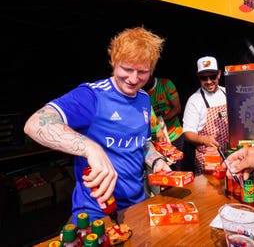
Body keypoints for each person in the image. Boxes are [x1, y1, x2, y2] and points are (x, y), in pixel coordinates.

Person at [23, 26, 172, 223]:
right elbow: (34, 124)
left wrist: (156, 161)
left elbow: (142, 143)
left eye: (142, 72)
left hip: (137, 205)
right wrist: (90, 147)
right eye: (127, 69)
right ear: (114, 61)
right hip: (95, 211)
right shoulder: (92, 95)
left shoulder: (144, 98)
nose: (133, 79)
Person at [182, 56, 229, 176]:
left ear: (219, 74)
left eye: (212, 76)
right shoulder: (195, 100)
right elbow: (187, 133)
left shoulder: (228, 92)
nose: (208, 81)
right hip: (208, 159)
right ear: (199, 78)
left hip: (230, 155)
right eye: (204, 78)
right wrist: (204, 139)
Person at [143, 76, 184, 170]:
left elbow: (177, 109)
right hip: (156, 142)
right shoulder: (141, 93)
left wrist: (160, 121)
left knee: (177, 170)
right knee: (161, 172)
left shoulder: (165, 84)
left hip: (174, 135)